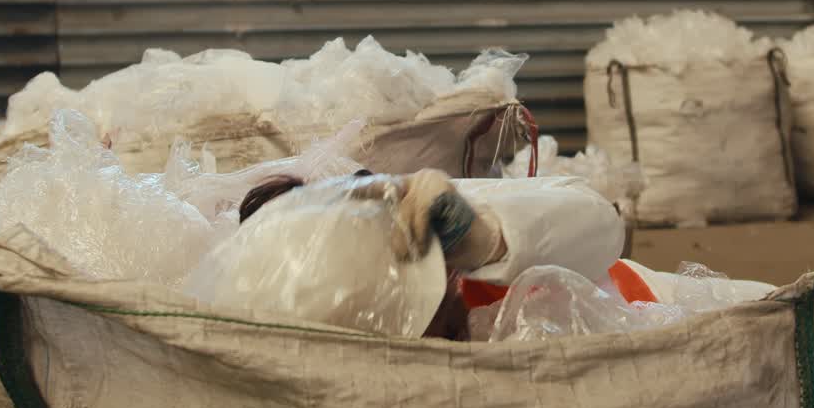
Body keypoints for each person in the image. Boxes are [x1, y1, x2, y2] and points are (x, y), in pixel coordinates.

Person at [238, 168, 775, 338]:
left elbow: (597, 217)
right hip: (655, 324)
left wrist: (486, 239)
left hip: (660, 297)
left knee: (813, 325)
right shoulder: (304, 313)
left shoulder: (433, 216)